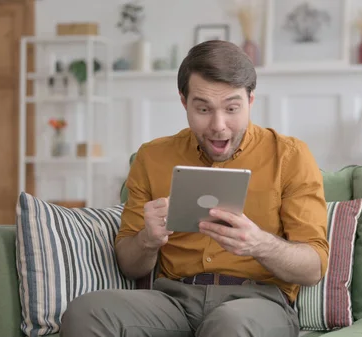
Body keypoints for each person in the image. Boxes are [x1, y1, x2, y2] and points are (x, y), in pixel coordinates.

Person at [60, 40, 329, 337]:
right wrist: (148, 239)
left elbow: (313, 268)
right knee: (86, 312)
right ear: (183, 101)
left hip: (257, 303)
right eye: (203, 108)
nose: (219, 125)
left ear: (251, 100)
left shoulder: (290, 156)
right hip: (172, 301)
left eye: (232, 108)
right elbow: (129, 264)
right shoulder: (152, 157)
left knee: (228, 324)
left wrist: (257, 244)